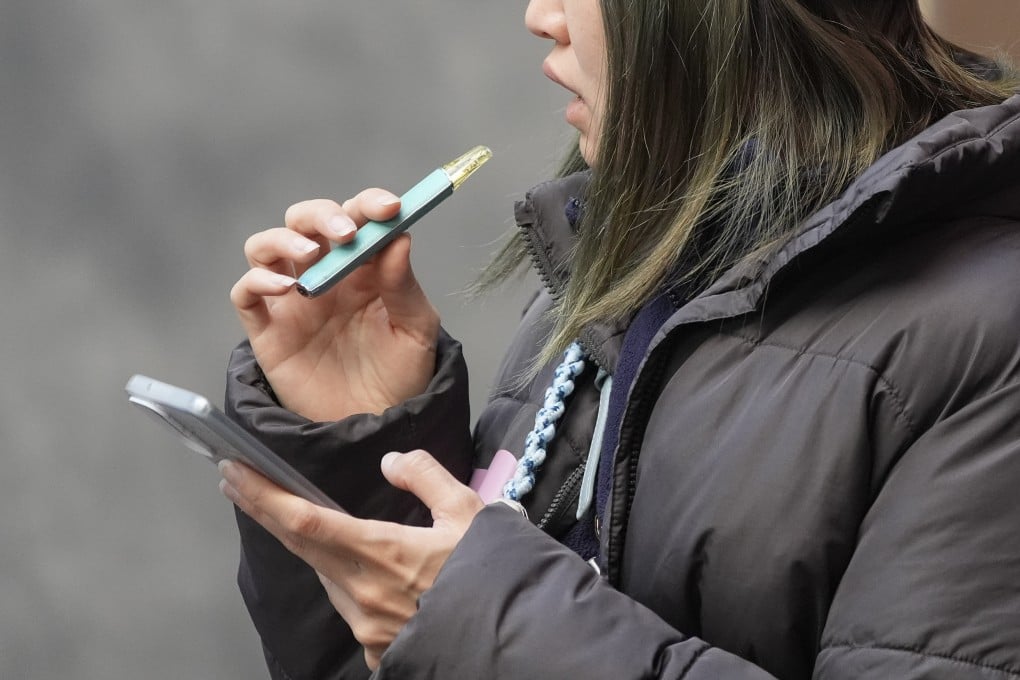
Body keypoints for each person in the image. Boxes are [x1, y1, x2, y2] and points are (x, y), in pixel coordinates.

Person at [218, 0, 1020, 677]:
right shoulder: (636, 271)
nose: (540, 17)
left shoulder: (992, 338)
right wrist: (367, 445)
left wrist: (487, 621)